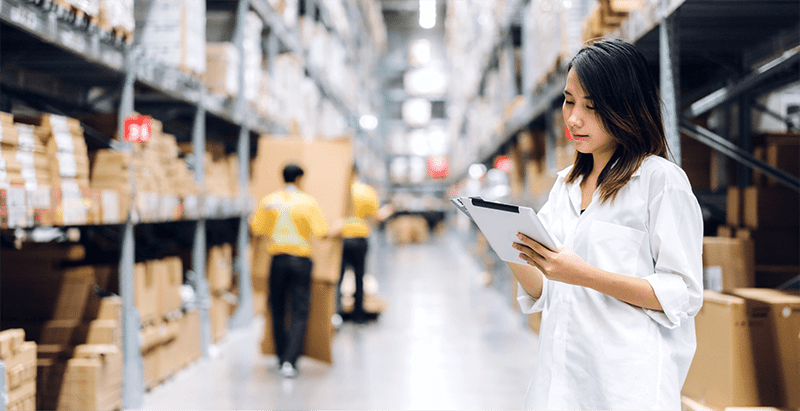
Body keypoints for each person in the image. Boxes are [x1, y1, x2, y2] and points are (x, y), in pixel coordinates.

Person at [508, 39, 703, 410]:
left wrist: (582, 274)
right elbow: (546, 292)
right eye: (568, 101)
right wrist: (511, 249)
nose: (573, 118)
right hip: (561, 384)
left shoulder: (659, 181)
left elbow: (683, 293)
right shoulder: (564, 185)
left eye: (591, 106)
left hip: (625, 388)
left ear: (626, 108)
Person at [250, 163, 331, 378]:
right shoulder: (308, 202)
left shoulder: (269, 202)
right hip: (301, 260)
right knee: (299, 310)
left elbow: (257, 229)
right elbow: (321, 231)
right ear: (299, 179)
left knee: (276, 308)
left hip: (277, 260)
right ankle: (290, 361)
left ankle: (279, 357)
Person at [336, 166, 393, 324]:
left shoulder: (341, 192)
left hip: (342, 238)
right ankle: (358, 315)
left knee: (339, 277)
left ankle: (338, 312)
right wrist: (387, 211)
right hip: (360, 239)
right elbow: (375, 217)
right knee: (359, 276)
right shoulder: (367, 192)